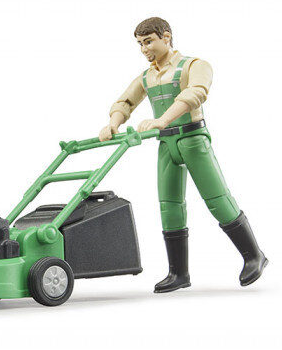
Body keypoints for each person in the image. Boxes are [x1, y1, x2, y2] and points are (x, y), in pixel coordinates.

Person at [98, 17, 268, 293]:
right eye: (140, 44)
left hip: (192, 140)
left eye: (149, 41)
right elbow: (125, 101)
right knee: (169, 206)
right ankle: (178, 273)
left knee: (217, 199)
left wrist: (162, 119)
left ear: (166, 37)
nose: (144, 49)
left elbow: (195, 93)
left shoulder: (194, 66)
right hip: (166, 144)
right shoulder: (147, 76)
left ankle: (254, 256)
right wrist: (113, 123)